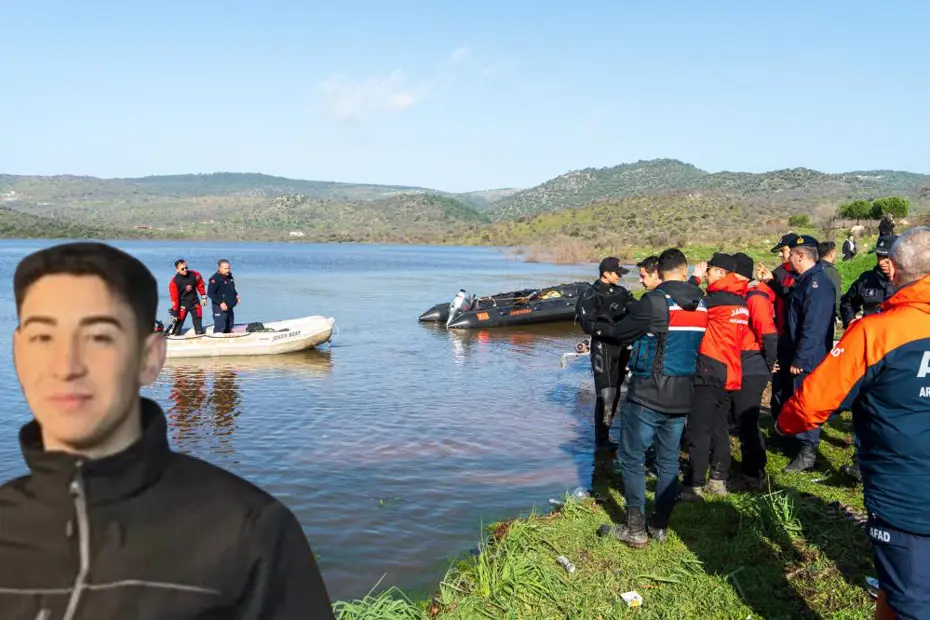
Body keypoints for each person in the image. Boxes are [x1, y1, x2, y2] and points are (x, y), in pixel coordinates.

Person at [0, 242, 334, 619]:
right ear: (18, 354)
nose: (67, 366)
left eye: (100, 338)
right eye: (43, 338)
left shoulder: (250, 532)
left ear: (150, 357)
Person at [775, 227, 930, 620]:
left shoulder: (879, 331)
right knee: (896, 591)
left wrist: (784, 423)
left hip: (907, 494)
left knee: (914, 601)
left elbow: (813, 402)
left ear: (895, 270)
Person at [593, 248, 707, 547]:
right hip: (683, 393)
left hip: (649, 393)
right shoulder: (702, 303)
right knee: (668, 460)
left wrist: (605, 322)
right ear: (685, 271)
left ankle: (634, 528)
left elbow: (622, 334)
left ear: (659, 272)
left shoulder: (655, 301)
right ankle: (659, 525)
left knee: (631, 457)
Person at [680, 253, 749, 501]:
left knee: (698, 429)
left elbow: (684, 301)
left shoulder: (715, 301)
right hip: (731, 371)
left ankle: (694, 485)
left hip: (709, 371)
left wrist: (694, 279)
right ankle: (718, 479)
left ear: (721, 273)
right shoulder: (740, 301)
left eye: (708, 270)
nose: (706, 274)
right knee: (719, 427)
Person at [780, 235, 837, 472]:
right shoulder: (804, 281)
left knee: (807, 401)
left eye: (791, 254)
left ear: (801, 255)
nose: (788, 258)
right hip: (800, 350)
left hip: (810, 355)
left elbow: (814, 326)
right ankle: (797, 442)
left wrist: (801, 358)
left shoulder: (818, 284)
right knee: (797, 397)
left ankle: (808, 451)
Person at [729, 252, 777, 491]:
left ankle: (754, 472)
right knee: (740, 418)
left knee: (747, 420)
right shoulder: (742, 295)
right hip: (742, 361)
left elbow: (767, 333)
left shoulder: (755, 298)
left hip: (752, 362)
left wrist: (768, 364)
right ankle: (748, 468)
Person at [575, 257, 632, 451]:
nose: (620, 276)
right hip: (603, 348)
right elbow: (587, 325)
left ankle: (606, 435)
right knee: (606, 393)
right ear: (605, 273)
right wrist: (615, 331)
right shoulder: (590, 294)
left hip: (621, 347)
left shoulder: (621, 292)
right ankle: (601, 441)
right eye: (617, 273)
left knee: (616, 392)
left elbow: (635, 310)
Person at [757, 233, 799, 418]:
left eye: (783, 251)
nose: (781, 255)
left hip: (797, 337)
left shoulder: (806, 275)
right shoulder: (779, 273)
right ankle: (778, 419)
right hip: (781, 334)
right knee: (780, 381)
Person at [840, 235, 898, 329]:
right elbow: (847, 302)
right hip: (871, 334)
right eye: (879, 256)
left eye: (886, 257)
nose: (881, 262)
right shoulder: (866, 279)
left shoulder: (909, 281)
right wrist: (850, 321)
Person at [168, 258, 207, 335]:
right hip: (182, 305)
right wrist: (175, 313)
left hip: (195, 303)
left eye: (186, 267)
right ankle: (175, 333)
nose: (185, 270)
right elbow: (174, 299)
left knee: (198, 326)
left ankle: (199, 334)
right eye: (182, 269)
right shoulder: (174, 282)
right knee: (177, 329)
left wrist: (204, 297)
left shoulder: (195, 275)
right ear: (177, 270)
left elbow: (200, 285)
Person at [207, 258, 240, 334]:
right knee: (221, 327)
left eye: (229, 268)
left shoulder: (230, 277)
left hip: (229, 306)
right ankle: (216, 339)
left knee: (230, 326)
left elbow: (232, 288)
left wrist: (236, 295)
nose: (228, 270)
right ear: (219, 268)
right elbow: (210, 293)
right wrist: (221, 303)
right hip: (219, 307)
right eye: (225, 269)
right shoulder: (215, 279)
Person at [818, 241, 842, 322]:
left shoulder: (813, 268)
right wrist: (840, 314)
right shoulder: (830, 271)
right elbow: (836, 294)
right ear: (831, 253)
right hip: (826, 315)